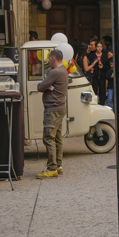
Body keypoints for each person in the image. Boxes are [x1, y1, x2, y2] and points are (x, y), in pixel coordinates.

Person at [35, 47, 69, 179]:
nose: (48, 61)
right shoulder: (64, 71)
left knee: (49, 138)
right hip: (60, 108)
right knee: (57, 138)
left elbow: (40, 87)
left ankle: (51, 168)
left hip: (52, 109)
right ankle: (58, 165)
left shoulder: (54, 72)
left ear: (53, 58)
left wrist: (45, 85)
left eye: (49, 58)